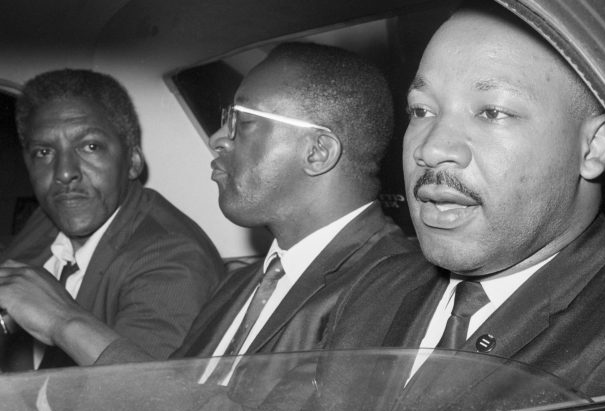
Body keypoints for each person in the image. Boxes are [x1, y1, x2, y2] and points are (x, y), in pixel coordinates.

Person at [311, 3, 605, 411]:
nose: (432, 147)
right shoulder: (377, 286)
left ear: (593, 146)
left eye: (493, 112)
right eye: (422, 110)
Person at [0, 43, 415, 382]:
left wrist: (63, 321)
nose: (218, 139)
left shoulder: (393, 287)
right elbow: (172, 390)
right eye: (223, 121)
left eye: (241, 121)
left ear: (317, 151)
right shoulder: (243, 286)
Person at [0, 69, 224, 371]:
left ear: (132, 162)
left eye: (90, 146)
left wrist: (61, 319)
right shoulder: (52, 217)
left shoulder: (172, 259)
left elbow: (144, 398)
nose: (64, 173)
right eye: (44, 152)